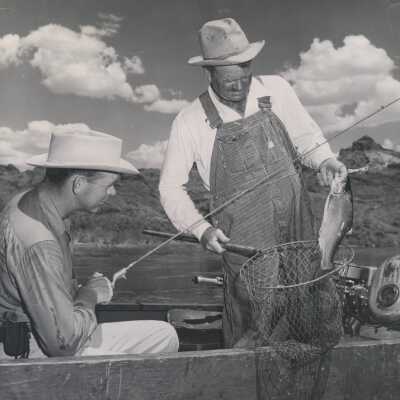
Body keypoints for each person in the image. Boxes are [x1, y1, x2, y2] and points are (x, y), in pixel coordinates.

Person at [159, 18, 347, 348]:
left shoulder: (277, 89)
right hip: (244, 239)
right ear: (209, 73)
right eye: (229, 80)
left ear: (251, 64)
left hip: (297, 226)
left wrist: (324, 159)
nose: (239, 86)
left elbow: (306, 137)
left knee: (309, 303)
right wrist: (202, 230)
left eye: (244, 75)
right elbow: (170, 188)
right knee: (253, 320)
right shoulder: (189, 120)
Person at [0, 130, 179, 358]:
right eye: (109, 185)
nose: (112, 192)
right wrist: (90, 295)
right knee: (153, 354)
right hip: (29, 352)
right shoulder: (40, 242)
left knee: (165, 335)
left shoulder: (31, 201)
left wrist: (80, 293)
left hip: (37, 334)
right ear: (78, 184)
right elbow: (62, 345)